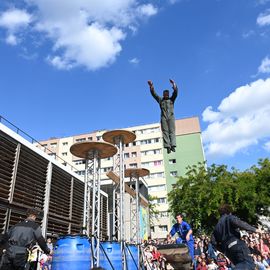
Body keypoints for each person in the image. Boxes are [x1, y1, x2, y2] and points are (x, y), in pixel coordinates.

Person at [211, 204, 262, 270]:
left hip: (228, 251)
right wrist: (255, 230)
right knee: (247, 263)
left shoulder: (216, 227)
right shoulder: (229, 217)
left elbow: (213, 242)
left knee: (242, 266)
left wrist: (223, 250)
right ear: (229, 211)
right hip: (236, 244)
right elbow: (239, 223)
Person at [148, 79, 178, 154]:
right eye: (165, 95)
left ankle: (173, 145)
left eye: (167, 95)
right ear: (163, 95)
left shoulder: (172, 99)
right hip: (163, 117)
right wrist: (151, 86)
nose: (166, 96)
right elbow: (154, 94)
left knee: (172, 131)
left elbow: (175, 92)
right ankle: (167, 146)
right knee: (165, 131)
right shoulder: (161, 100)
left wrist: (174, 84)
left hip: (171, 117)